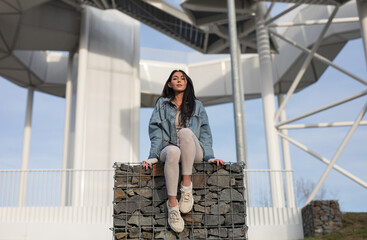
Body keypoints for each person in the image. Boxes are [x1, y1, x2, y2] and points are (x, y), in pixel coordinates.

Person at [142, 69, 224, 233]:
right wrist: (153, 157)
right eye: (175, 78)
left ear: (187, 83)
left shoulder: (197, 105)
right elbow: (156, 132)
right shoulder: (162, 105)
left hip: (194, 152)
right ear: (169, 84)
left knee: (186, 132)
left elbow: (206, 132)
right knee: (173, 152)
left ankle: (186, 186)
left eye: (183, 78)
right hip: (169, 147)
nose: (179, 80)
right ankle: (172, 205)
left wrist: (210, 157)